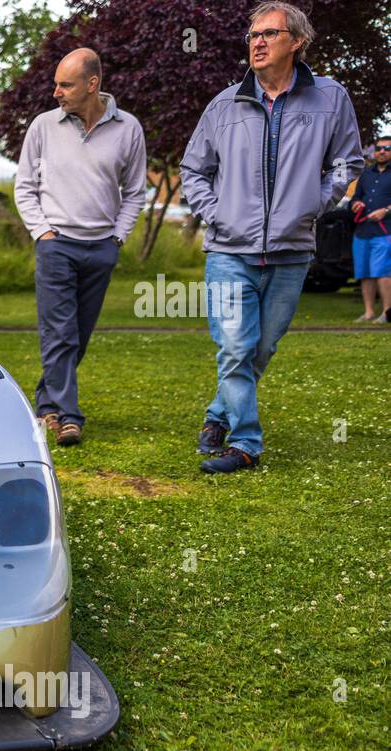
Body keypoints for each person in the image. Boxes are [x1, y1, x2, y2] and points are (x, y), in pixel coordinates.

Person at [180, 2, 363, 473]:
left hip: (291, 251)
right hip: (228, 250)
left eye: (269, 33)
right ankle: (245, 444)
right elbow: (194, 170)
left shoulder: (330, 97)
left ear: (296, 42)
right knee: (236, 348)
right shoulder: (224, 104)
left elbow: (347, 163)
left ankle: (218, 414)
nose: (257, 42)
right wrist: (216, 214)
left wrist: (313, 205)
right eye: (252, 35)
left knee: (261, 349)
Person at [13, 48, 147, 447]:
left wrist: (117, 238)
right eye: (55, 83)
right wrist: (43, 234)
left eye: (65, 84)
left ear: (93, 85)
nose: (56, 92)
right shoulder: (42, 126)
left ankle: (45, 404)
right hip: (57, 247)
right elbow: (24, 187)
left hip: (100, 249)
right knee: (60, 334)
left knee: (78, 336)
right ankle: (69, 417)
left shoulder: (128, 129)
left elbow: (136, 192)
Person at [351, 134, 391, 323]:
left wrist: (386, 210)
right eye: (379, 149)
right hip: (362, 231)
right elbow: (355, 197)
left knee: (382, 272)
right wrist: (356, 203)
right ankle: (369, 312)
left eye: (386, 149)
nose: (382, 152)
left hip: (385, 232)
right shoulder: (366, 173)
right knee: (364, 273)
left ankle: (387, 312)